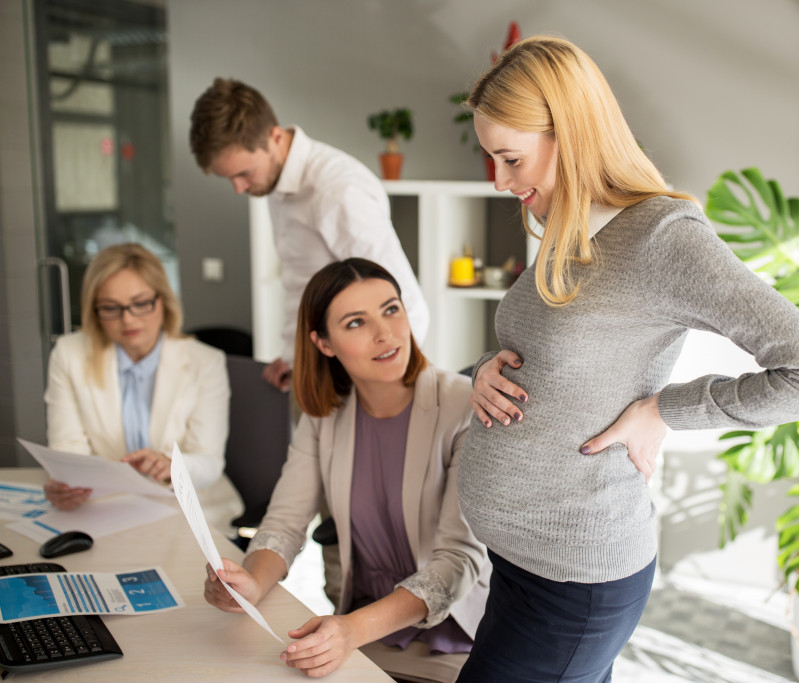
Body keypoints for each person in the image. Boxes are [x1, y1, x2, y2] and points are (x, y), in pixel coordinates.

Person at [456, 36, 799, 682]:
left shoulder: (662, 238)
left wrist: (664, 410)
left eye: (511, 158)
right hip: (522, 562)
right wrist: (484, 371)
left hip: (573, 583)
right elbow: (556, 351)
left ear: (570, 134)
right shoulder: (569, 222)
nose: (502, 181)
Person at [202, 258, 488, 682]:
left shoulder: (464, 407)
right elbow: (284, 523)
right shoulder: (325, 416)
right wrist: (251, 584)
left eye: (391, 309)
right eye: (356, 323)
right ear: (324, 343)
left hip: (455, 640)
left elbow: (456, 562)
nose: (385, 333)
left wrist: (352, 630)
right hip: (361, 632)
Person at [188, 78, 428, 393]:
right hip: (319, 372)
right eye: (229, 178)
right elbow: (301, 283)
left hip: (362, 381)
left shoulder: (337, 191)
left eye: (244, 174)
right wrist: (291, 358)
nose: (239, 189)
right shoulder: (275, 183)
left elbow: (405, 301)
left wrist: (383, 390)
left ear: (275, 137)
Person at [44, 243, 241, 534]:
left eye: (140, 303)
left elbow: (209, 460)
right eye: (111, 308)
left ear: (162, 300)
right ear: (94, 310)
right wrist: (68, 483)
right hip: (106, 511)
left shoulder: (205, 362)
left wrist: (170, 465)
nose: (128, 319)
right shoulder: (69, 354)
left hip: (189, 511)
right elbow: (68, 448)